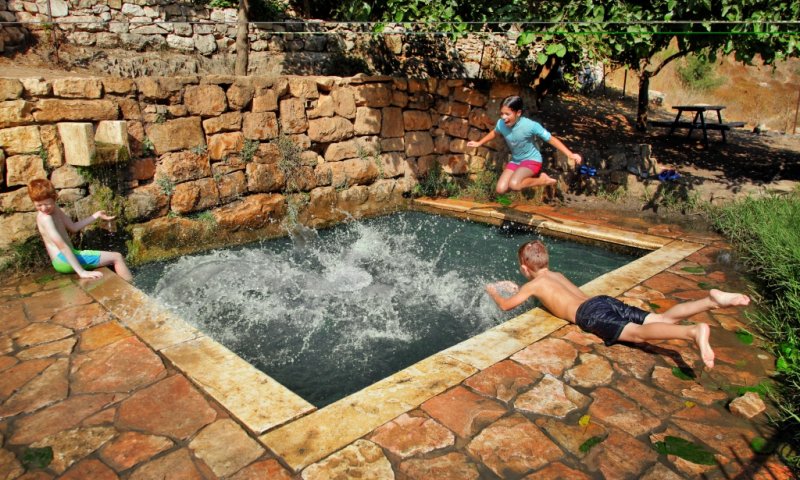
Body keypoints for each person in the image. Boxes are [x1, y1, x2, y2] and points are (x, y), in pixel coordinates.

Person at [486, 240, 751, 369]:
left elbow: (506, 306)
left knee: (637, 334)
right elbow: (552, 293)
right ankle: (711, 301)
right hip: (601, 301)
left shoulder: (533, 285)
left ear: (524, 268)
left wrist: (494, 291)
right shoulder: (556, 275)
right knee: (661, 319)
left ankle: (693, 332)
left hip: (590, 314)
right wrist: (521, 287)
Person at [466, 95, 582, 194]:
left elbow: (551, 139)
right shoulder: (501, 124)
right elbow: (494, 132)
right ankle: (520, 184)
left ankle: (543, 180)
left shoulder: (530, 125)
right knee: (500, 189)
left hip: (532, 160)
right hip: (516, 160)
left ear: (518, 113)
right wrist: (479, 143)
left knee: (514, 184)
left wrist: (570, 154)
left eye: (507, 114)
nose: (504, 117)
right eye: (502, 114)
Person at [28, 178, 133, 282]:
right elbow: (62, 246)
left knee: (114, 257)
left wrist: (95, 216)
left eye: (47, 204)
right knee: (117, 257)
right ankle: (132, 288)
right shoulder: (46, 219)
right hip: (63, 260)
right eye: (39, 205)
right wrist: (81, 272)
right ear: (33, 202)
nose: (44, 208)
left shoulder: (55, 209)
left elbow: (73, 227)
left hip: (65, 258)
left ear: (54, 198)